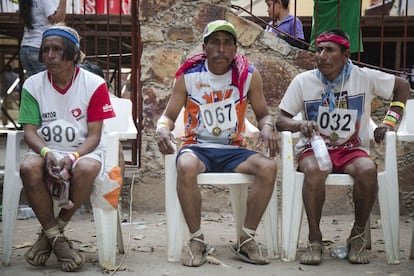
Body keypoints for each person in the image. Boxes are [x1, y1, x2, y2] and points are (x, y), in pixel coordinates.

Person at [275, 29, 410, 265]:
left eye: (330, 50)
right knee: (314, 170)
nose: (322, 55)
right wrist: (300, 124)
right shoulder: (304, 81)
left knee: (368, 170)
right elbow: (281, 119)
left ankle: (357, 236)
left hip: (351, 149)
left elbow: (402, 87)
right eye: (319, 50)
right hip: (315, 148)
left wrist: (389, 122)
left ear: (345, 55)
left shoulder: (363, 77)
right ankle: (315, 238)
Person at [156, 20, 278, 267]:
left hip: (234, 150)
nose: (221, 49)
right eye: (215, 43)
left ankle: (246, 238)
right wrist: (161, 129)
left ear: (235, 49)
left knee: (268, 167)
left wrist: (267, 127)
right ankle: (197, 239)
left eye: (227, 43)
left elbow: (264, 114)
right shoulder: (189, 76)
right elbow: (168, 116)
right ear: (205, 47)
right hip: (197, 147)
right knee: (186, 166)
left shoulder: (248, 77)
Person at [18, 24, 115, 272]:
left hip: (83, 150)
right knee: (29, 167)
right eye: (46, 50)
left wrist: (72, 157)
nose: (49, 56)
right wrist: (46, 153)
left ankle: (51, 234)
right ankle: (59, 241)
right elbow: (30, 131)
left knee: (87, 167)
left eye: (57, 50)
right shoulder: (32, 84)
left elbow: (94, 136)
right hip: (46, 149)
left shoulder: (94, 84)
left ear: (72, 54)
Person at [19, 0, 66, 77]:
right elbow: (57, 21)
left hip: (25, 46)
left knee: (33, 86)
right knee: (47, 84)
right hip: (40, 47)